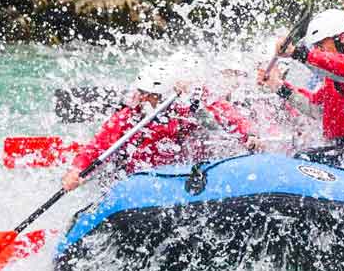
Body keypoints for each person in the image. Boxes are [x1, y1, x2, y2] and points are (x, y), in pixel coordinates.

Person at [62, 61, 259, 191]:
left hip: (181, 174)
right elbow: (97, 146)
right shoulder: (129, 116)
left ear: (165, 95)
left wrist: (248, 134)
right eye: (141, 92)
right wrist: (76, 171)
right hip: (138, 179)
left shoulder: (185, 106)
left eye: (150, 95)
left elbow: (224, 111)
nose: (143, 98)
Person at [257, 8, 344, 164]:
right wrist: (278, 86)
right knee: (302, 156)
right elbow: (315, 106)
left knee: (305, 158)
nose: (318, 51)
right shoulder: (335, 78)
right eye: (315, 47)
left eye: (321, 45)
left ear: (342, 38)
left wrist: (297, 53)